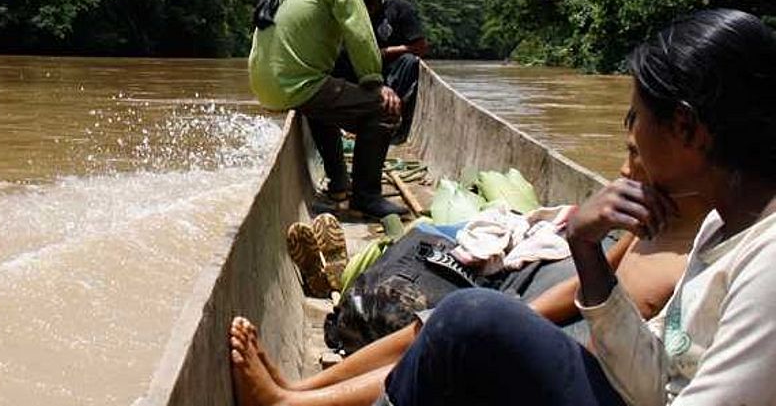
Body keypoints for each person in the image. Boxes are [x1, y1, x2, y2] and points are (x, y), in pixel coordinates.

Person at [235, 8, 776, 406]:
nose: (628, 138)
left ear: (685, 127)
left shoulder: (766, 263)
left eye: (637, 120)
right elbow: (651, 379)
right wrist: (584, 247)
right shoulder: (716, 225)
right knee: (464, 318)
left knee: (472, 321)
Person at [226, 130, 706, 406]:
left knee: (460, 328)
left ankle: (293, 404)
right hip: (580, 333)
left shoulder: (709, 249)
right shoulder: (658, 222)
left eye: (636, 155)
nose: (623, 171)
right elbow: (591, 282)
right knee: (446, 318)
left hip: (601, 374)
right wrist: (526, 313)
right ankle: (302, 388)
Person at [248, 0, 407, 219]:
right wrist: (376, 84)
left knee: (324, 97)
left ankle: (339, 179)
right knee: (384, 109)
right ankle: (366, 195)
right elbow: (359, 35)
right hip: (297, 84)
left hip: (266, 85)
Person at [357, 0, 427, 142]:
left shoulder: (400, 9)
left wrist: (385, 52)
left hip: (396, 72)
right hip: (366, 71)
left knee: (410, 61)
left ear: (378, 0)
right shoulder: (354, 13)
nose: (367, 10)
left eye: (370, 6)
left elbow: (421, 47)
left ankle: (397, 121)